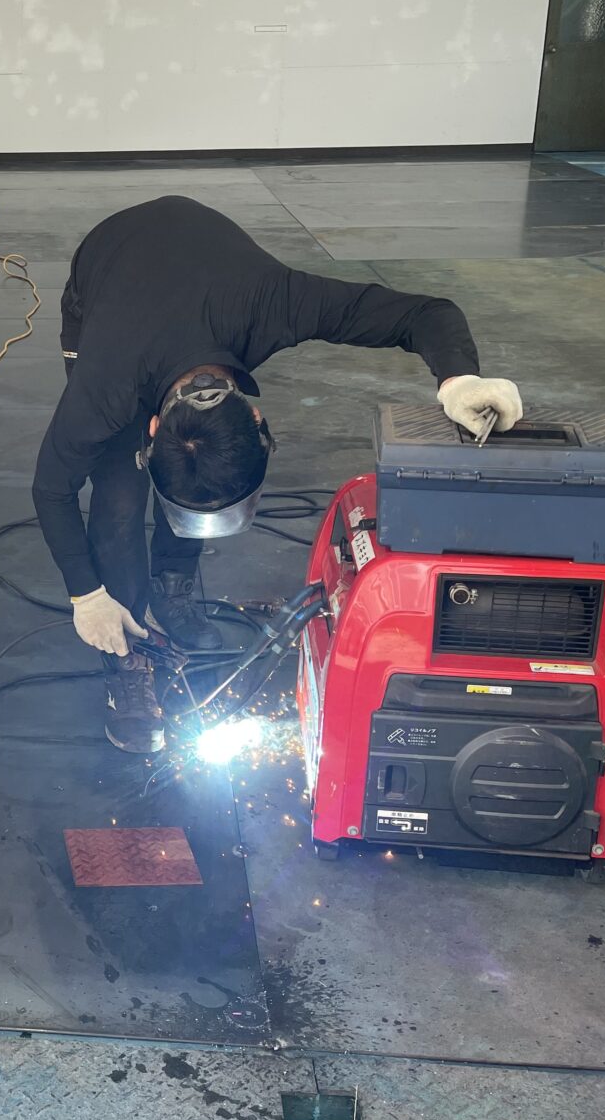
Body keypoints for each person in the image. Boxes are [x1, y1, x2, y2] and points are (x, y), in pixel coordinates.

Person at [33, 195, 522, 753]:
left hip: (205, 270)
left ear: (257, 420)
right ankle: (128, 660)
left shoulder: (276, 301)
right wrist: (86, 593)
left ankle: (172, 587)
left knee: (201, 467)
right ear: (151, 428)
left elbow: (426, 313)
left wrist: (458, 381)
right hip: (105, 271)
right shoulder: (105, 384)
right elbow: (51, 488)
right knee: (118, 493)